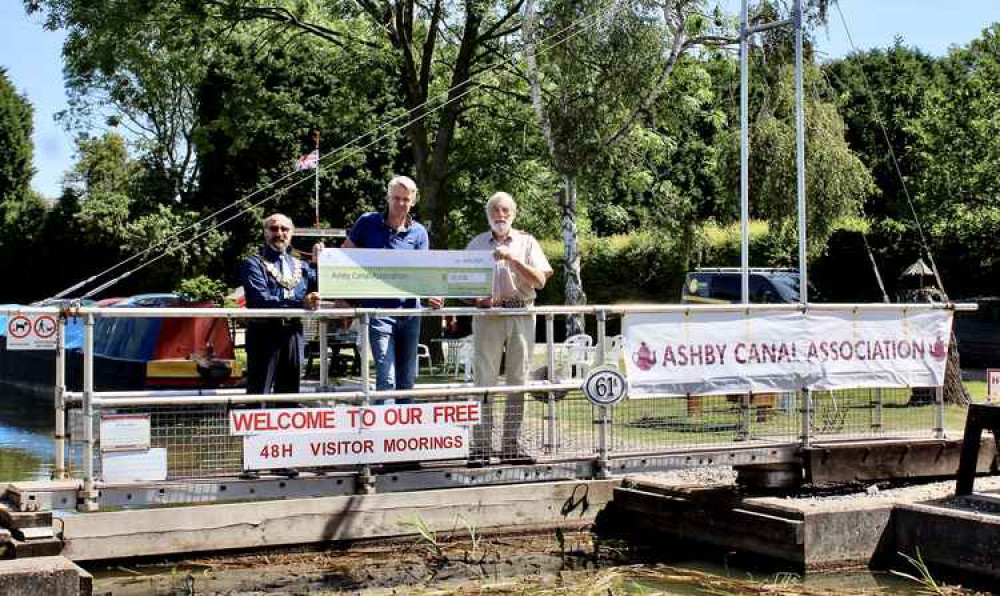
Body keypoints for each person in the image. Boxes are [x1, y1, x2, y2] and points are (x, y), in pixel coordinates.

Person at [466, 192, 553, 466]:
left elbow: (540, 281)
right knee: (483, 382)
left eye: (505, 210)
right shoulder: (477, 244)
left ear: (513, 214)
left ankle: (510, 447)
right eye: (495, 210)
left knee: (518, 381)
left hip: (521, 314)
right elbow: (460, 285)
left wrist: (514, 260)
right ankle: (480, 449)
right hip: (487, 317)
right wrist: (475, 299)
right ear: (488, 215)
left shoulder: (527, 242)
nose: (500, 215)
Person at [342, 176, 442, 401]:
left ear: (413, 201)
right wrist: (345, 296)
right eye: (396, 198)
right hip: (378, 313)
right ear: (388, 198)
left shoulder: (419, 233)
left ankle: (405, 433)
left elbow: (425, 273)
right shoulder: (366, 222)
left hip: (409, 313)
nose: (400, 203)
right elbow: (344, 257)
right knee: (386, 378)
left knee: (406, 380)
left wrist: (432, 296)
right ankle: (383, 431)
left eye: (406, 199)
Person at [241, 213, 321, 397]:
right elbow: (261, 301)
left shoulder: (302, 266)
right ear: (265, 233)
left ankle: (287, 426)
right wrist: (301, 303)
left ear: (291, 233)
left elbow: (321, 287)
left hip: (293, 333)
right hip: (263, 334)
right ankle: (255, 427)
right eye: (274, 228)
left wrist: (321, 262)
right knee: (258, 393)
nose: (279, 233)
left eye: (285, 229)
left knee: (290, 393)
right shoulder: (253, 263)